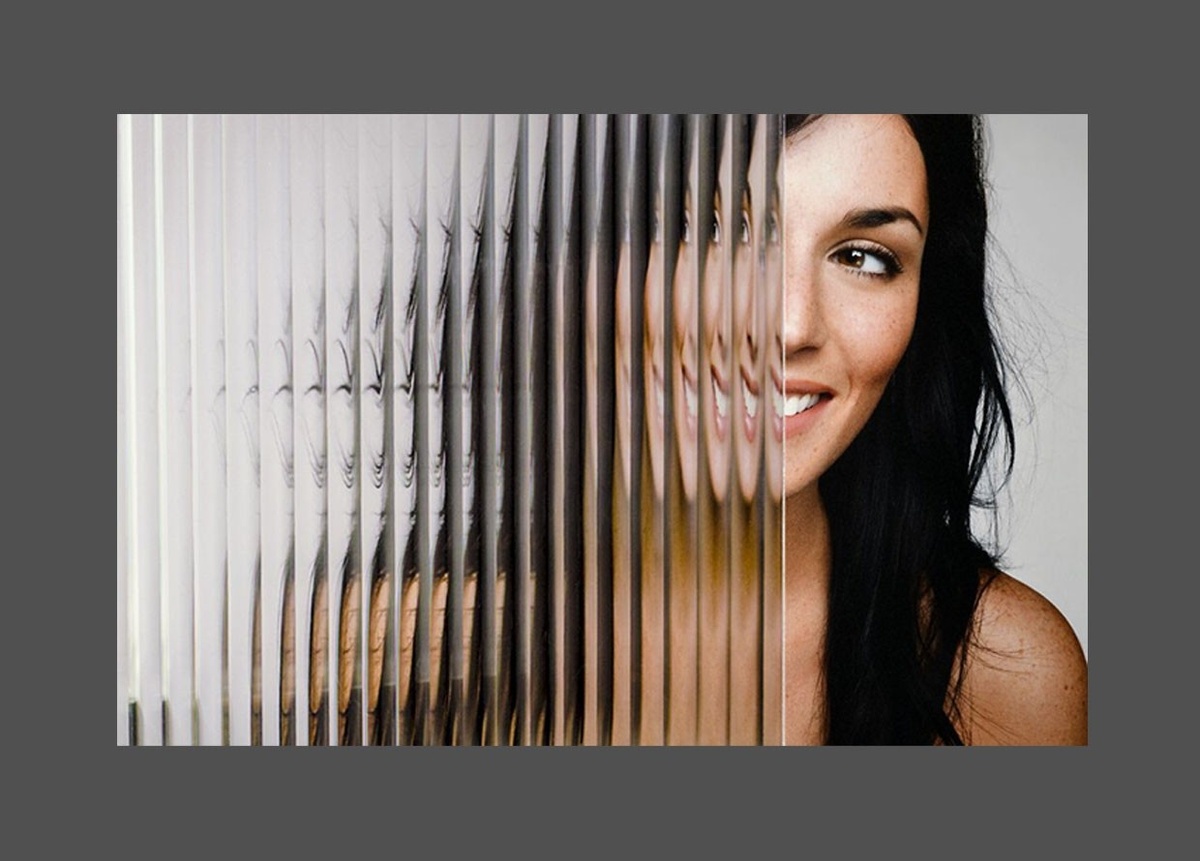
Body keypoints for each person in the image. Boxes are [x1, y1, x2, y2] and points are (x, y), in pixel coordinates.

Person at [779, 114, 1087, 744]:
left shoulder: (1005, 676)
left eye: (862, 256)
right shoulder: (516, 653)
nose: (790, 326)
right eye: (707, 228)